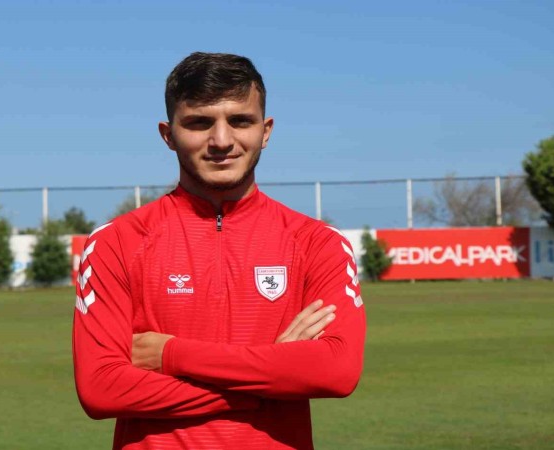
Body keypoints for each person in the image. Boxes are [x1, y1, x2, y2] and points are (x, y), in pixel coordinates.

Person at [73, 52, 366, 450]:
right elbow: (102, 388)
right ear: (167, 134)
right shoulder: (116, 242)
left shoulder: (318, 243)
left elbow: (336, 371)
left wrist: (172, 354)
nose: (222, 141)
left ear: (266, 130)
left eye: (240, 121)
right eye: (199, 123)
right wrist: (270, 374)